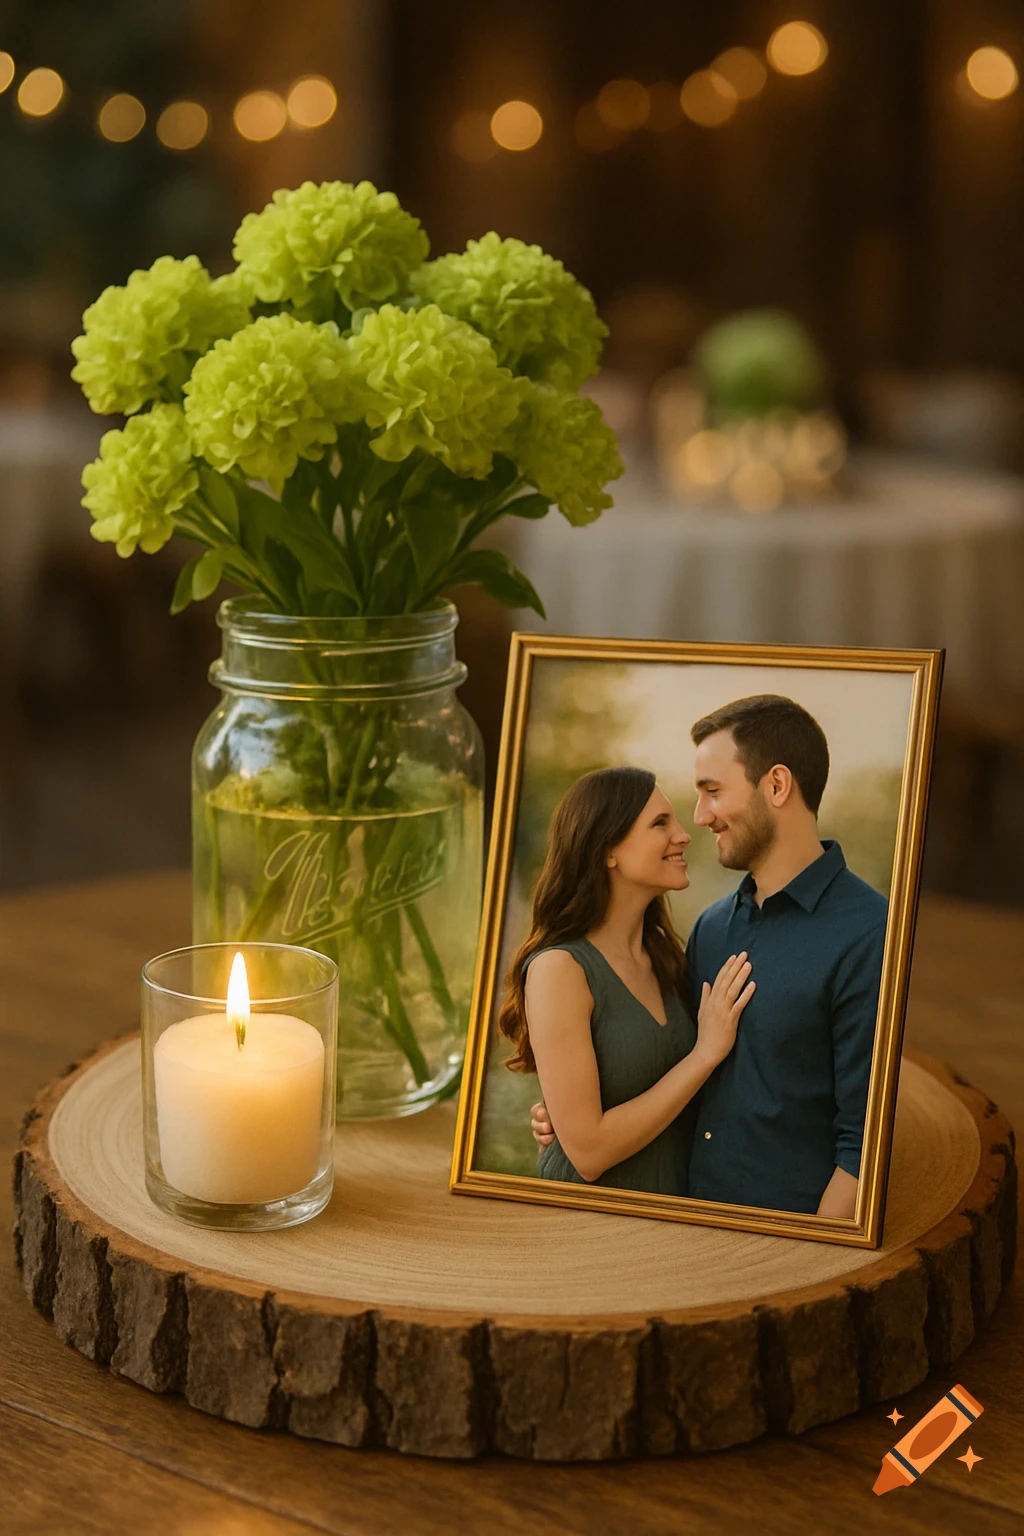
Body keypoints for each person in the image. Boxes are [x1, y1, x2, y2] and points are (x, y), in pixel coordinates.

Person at [532, 695, 888, 1219]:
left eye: (712, 792)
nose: (698, 819)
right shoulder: (712, 929)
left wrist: (809, 1263)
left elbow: (863, 1149)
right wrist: (568, 1117)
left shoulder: (869, 930)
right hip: (671, 1224)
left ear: (776, 786)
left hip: (780, 1245)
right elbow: (671, 1067)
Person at [498, 765, 755, 1196]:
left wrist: (560, 1114)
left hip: (672, 1216)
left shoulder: (668, 959)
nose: (684, 834)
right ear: (607, 850)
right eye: (660, 823)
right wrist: (704, 1054)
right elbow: (589, 1154)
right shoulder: (560, 969)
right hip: (588, 1226)